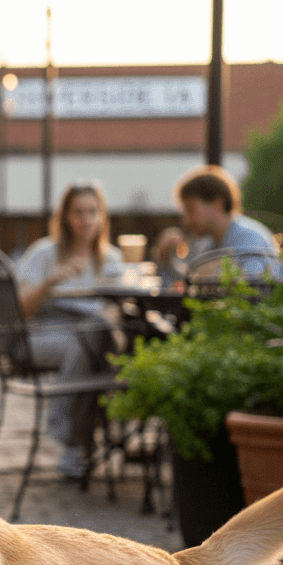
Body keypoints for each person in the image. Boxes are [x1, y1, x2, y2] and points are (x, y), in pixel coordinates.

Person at [14, 182, 125, 479]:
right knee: (92, 346)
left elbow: (119, 308)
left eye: (92, 211)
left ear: (102, 216)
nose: (86, 219)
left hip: (93, 336)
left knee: (95, 339)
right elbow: (21, 310)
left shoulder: (111, 259)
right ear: (65, 217)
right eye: (78, 212)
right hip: (40, 334)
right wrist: (49, 283)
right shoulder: (44, 252)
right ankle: (80, 437)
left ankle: (76, 442)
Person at [151, 165, 280, 276]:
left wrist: (216, 274)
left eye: (190, 210)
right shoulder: (207, 243)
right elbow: (192, 281)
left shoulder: (251, 238)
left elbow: (256, 291)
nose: (186, 220)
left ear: (217, 203)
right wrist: (170, 260)